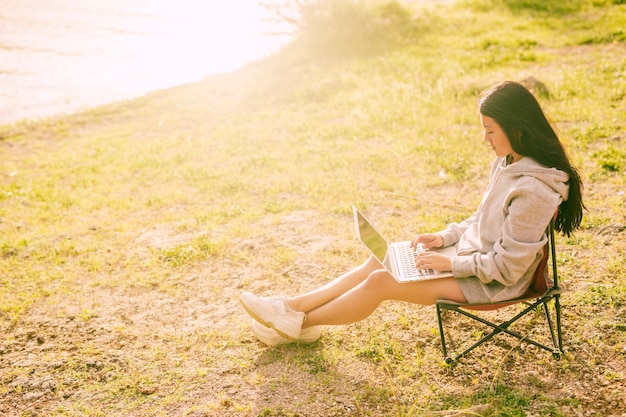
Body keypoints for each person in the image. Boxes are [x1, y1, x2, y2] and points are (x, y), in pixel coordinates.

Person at [239, 80, 585, 347]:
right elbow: (482, 220)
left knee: (380, 282)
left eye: (490, 130)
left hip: (491, 284)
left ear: (517, 128)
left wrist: (451, 264)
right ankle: (291, 308)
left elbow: (509, 269)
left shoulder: (534, 190)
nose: (485, 139)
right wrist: (444, 238)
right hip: (471, 261)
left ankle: (299, 324)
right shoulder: (508, 164)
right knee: (385, 258)